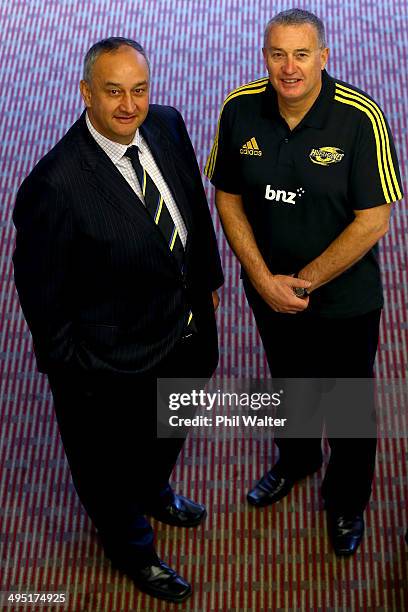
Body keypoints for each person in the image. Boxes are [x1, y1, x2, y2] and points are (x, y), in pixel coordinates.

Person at [13, 37, 223, 603]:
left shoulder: (167, 123)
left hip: (186, 332)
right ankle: (133, 548)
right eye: (113, 92)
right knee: (106, 470)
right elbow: (41, 295)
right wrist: (73, 374)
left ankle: (154, 489)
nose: (130, 106)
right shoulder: (53, 187)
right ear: (86, 94)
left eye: (139, 89)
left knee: (171, 425)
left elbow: (191, 210)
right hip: (110, 363)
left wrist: (208, 284)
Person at [205, 9, 403, 556]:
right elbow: (227, 196)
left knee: (346, 404)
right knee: (291, 386)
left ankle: (346, 501)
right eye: (277, 54)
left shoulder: (360, 118)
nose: (288, 68)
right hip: (268, 291)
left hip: (343, 299)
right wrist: (262, 278)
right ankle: (296, 461)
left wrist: (304, 282)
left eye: (301, 54)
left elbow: (374, 219)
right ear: (264, 56)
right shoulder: (240, 109)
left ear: (323, 57)